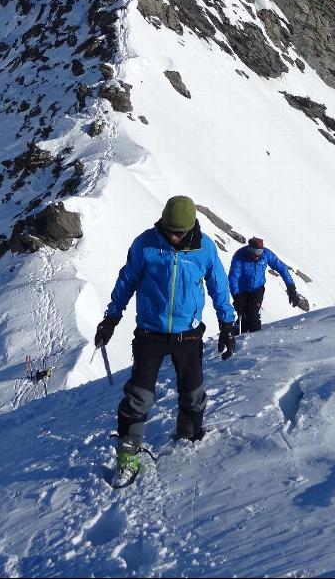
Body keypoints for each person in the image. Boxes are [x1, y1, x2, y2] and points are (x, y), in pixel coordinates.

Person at [94, 195, 237, 487]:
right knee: (138, 397)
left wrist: (227, 324)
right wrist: (111, 318)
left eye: (179, 232)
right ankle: (127, 458)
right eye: (170, 230)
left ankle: (189, 437)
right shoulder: (145, 244)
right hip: (150, 333)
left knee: (193, 392)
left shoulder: (204, 248)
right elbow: (126, 282)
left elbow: (219, 286)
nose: (173, 236)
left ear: (190, 227)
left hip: (188, 334)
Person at [228, 237, 301, 334]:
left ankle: (255, 341)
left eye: (260, 252)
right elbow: (233, 278)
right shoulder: (240, 256)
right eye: (255, 252)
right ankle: (234, 339)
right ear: (249, 248)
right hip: (242, 292)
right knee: (243, 317)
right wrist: (236, 297)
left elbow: (282, 269)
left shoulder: (266, 254)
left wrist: (291, 288)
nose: (257, 255)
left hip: (257, 290)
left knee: (253, 317)